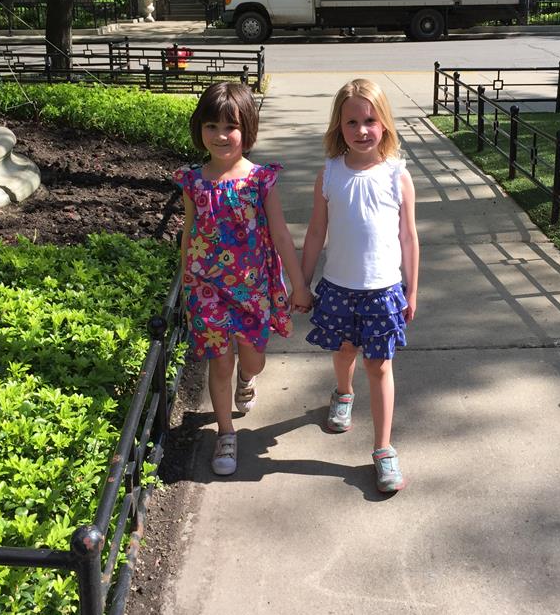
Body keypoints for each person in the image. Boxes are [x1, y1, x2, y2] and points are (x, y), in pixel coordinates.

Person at [175, 82, 312, 476]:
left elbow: (281, 235)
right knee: (219, 363)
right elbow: (189, 232)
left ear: (247, 129)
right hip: (207, 288)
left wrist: (298, 284)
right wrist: (186, 281)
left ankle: (247, 379)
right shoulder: (193, 181)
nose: (220, 135)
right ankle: (225, 433)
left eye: (230, 127)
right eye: (211, 126)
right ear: (199, 129)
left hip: (253, 289)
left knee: (253, 358)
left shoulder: (259, 180)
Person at [300, 78, 419, 493]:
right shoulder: (329, 174)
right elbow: (316, 232)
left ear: (384, 123)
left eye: (370, 120)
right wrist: (302, 282)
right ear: (339, 125)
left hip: (384, 290)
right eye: (352, 122)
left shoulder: (397, 176)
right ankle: (344, 393)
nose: (362, 130)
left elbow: (408, 238)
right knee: (345, 351)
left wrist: (412, 290)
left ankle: (383, 449)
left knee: (379, 365)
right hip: (338, 287)